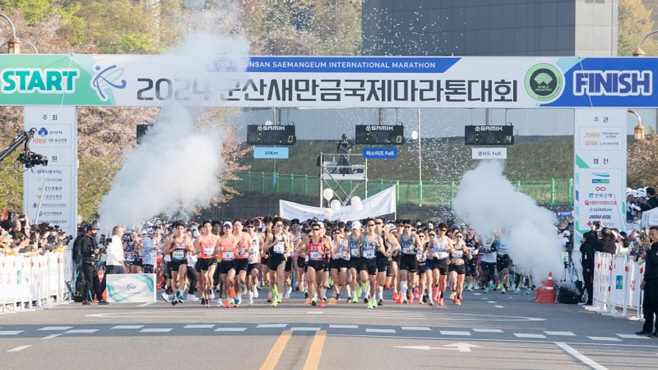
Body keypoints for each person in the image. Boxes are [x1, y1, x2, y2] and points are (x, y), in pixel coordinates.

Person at [161, 221, 194, 305]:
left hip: (183, 260)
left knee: (182, 276)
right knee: (175, 281)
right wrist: (173, 249)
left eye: (181, 229)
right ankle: (176, 294)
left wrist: (189, 248)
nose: (180, 230)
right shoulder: (171, 239)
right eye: (178, 228)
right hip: (173, 261)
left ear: (184, 230)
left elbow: (192, 248)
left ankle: (181, 294)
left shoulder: (186, 238)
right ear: (175, 229)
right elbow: (165, 250)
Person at [79, 221, 108, 305]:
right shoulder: (85, 239)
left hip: (93, 262)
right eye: (94, 230)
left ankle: (100, 298)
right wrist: (93, 251)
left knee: (96, 281)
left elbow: (96, 250)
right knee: (89, 281)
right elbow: (84, 251)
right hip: (87, 262)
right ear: (89, 230)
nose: (96, 232)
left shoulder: (93, 239)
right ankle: (85, 299)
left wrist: (101, 250)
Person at [637, 226, 658, 337]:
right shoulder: (652, 248)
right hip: (649, 279)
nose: (651, 237)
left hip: (656, 280)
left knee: (656, 306)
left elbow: (655, 261)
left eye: (653, 234)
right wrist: (644, 280)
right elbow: (648, 265)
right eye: (650, 234)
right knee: (647, 306)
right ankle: (647, 328)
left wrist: (649, 250)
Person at [195, 220, 218, 308]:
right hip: (203, 259)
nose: (207, 229)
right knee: (204, 280)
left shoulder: (216, 238)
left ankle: (211, 289)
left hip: (212, 259)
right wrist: (201, 249)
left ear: (211, 227)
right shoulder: (199, 238)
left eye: (209, 227)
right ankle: (205, 297)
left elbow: (218, 249)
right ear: (203, 228)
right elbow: (196, 250)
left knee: (209, 276)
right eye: (205, 227)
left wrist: (216, 252)